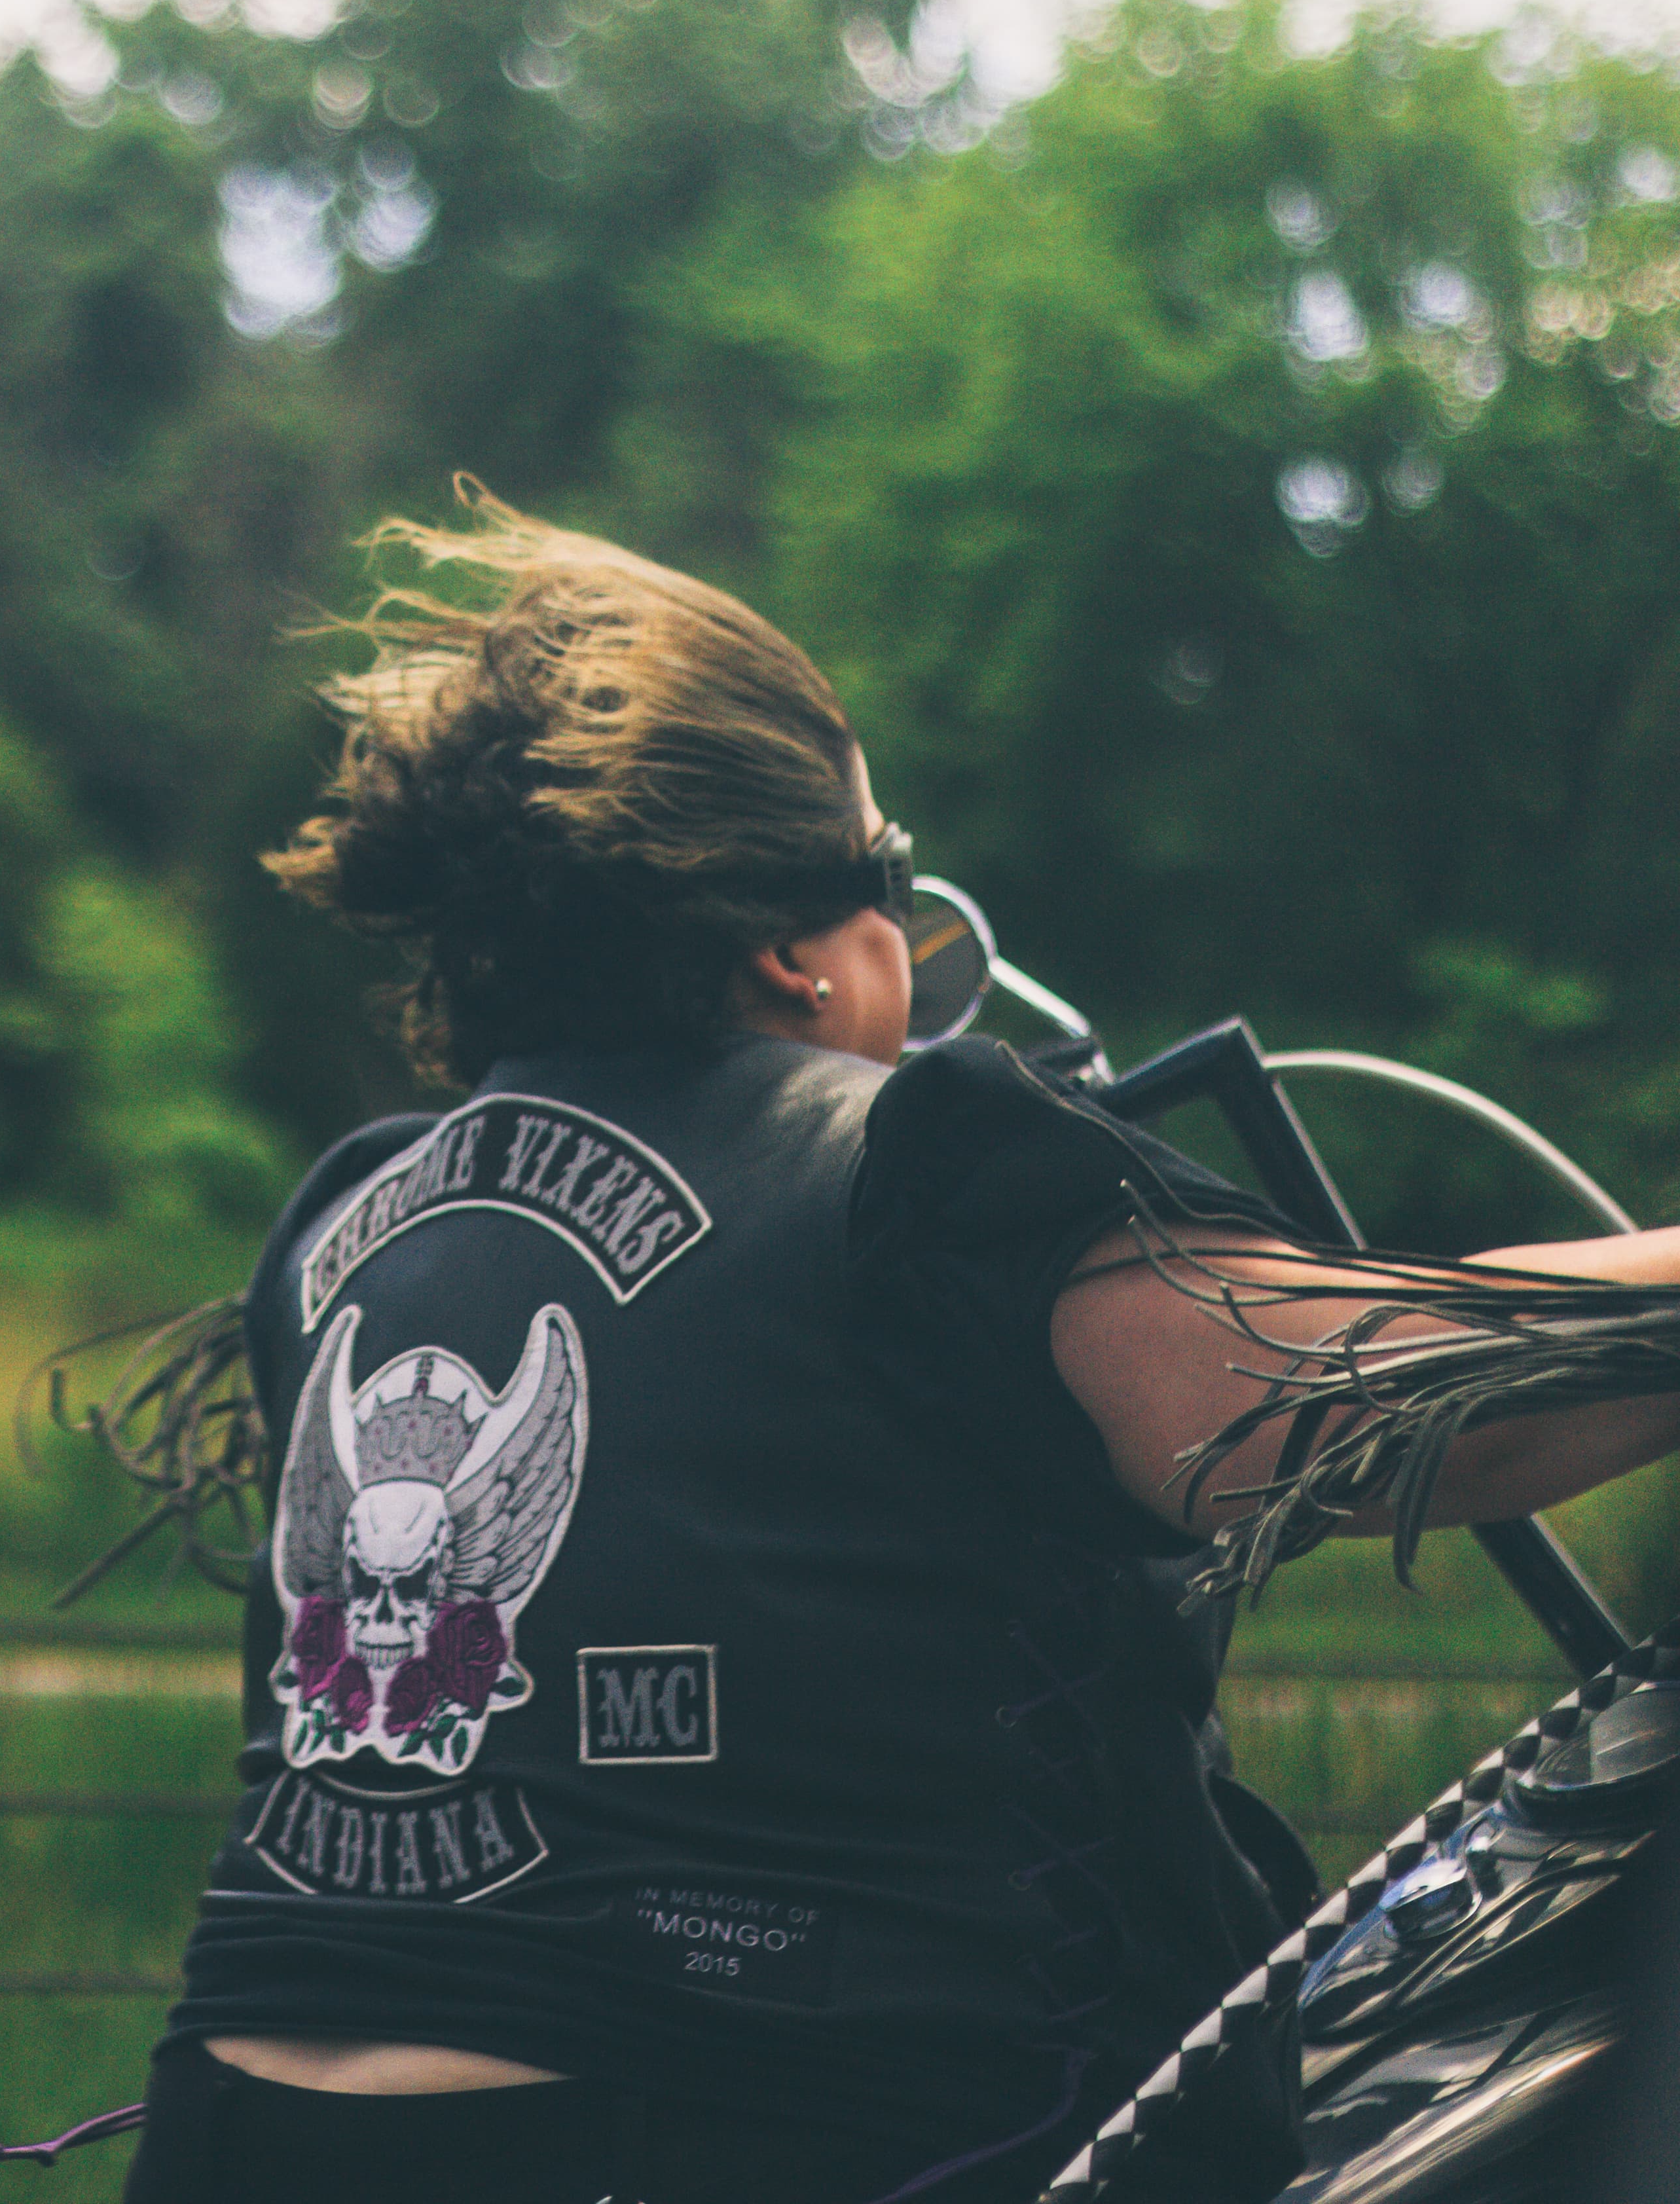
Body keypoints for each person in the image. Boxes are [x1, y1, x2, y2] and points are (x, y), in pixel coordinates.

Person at [115, 490, 1680, 2204]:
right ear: (797, 943)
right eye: (894, 874)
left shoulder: (347, 1227)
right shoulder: (917, 1164)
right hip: (769, 2128)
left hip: (234, 2134)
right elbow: (1393, 1401)